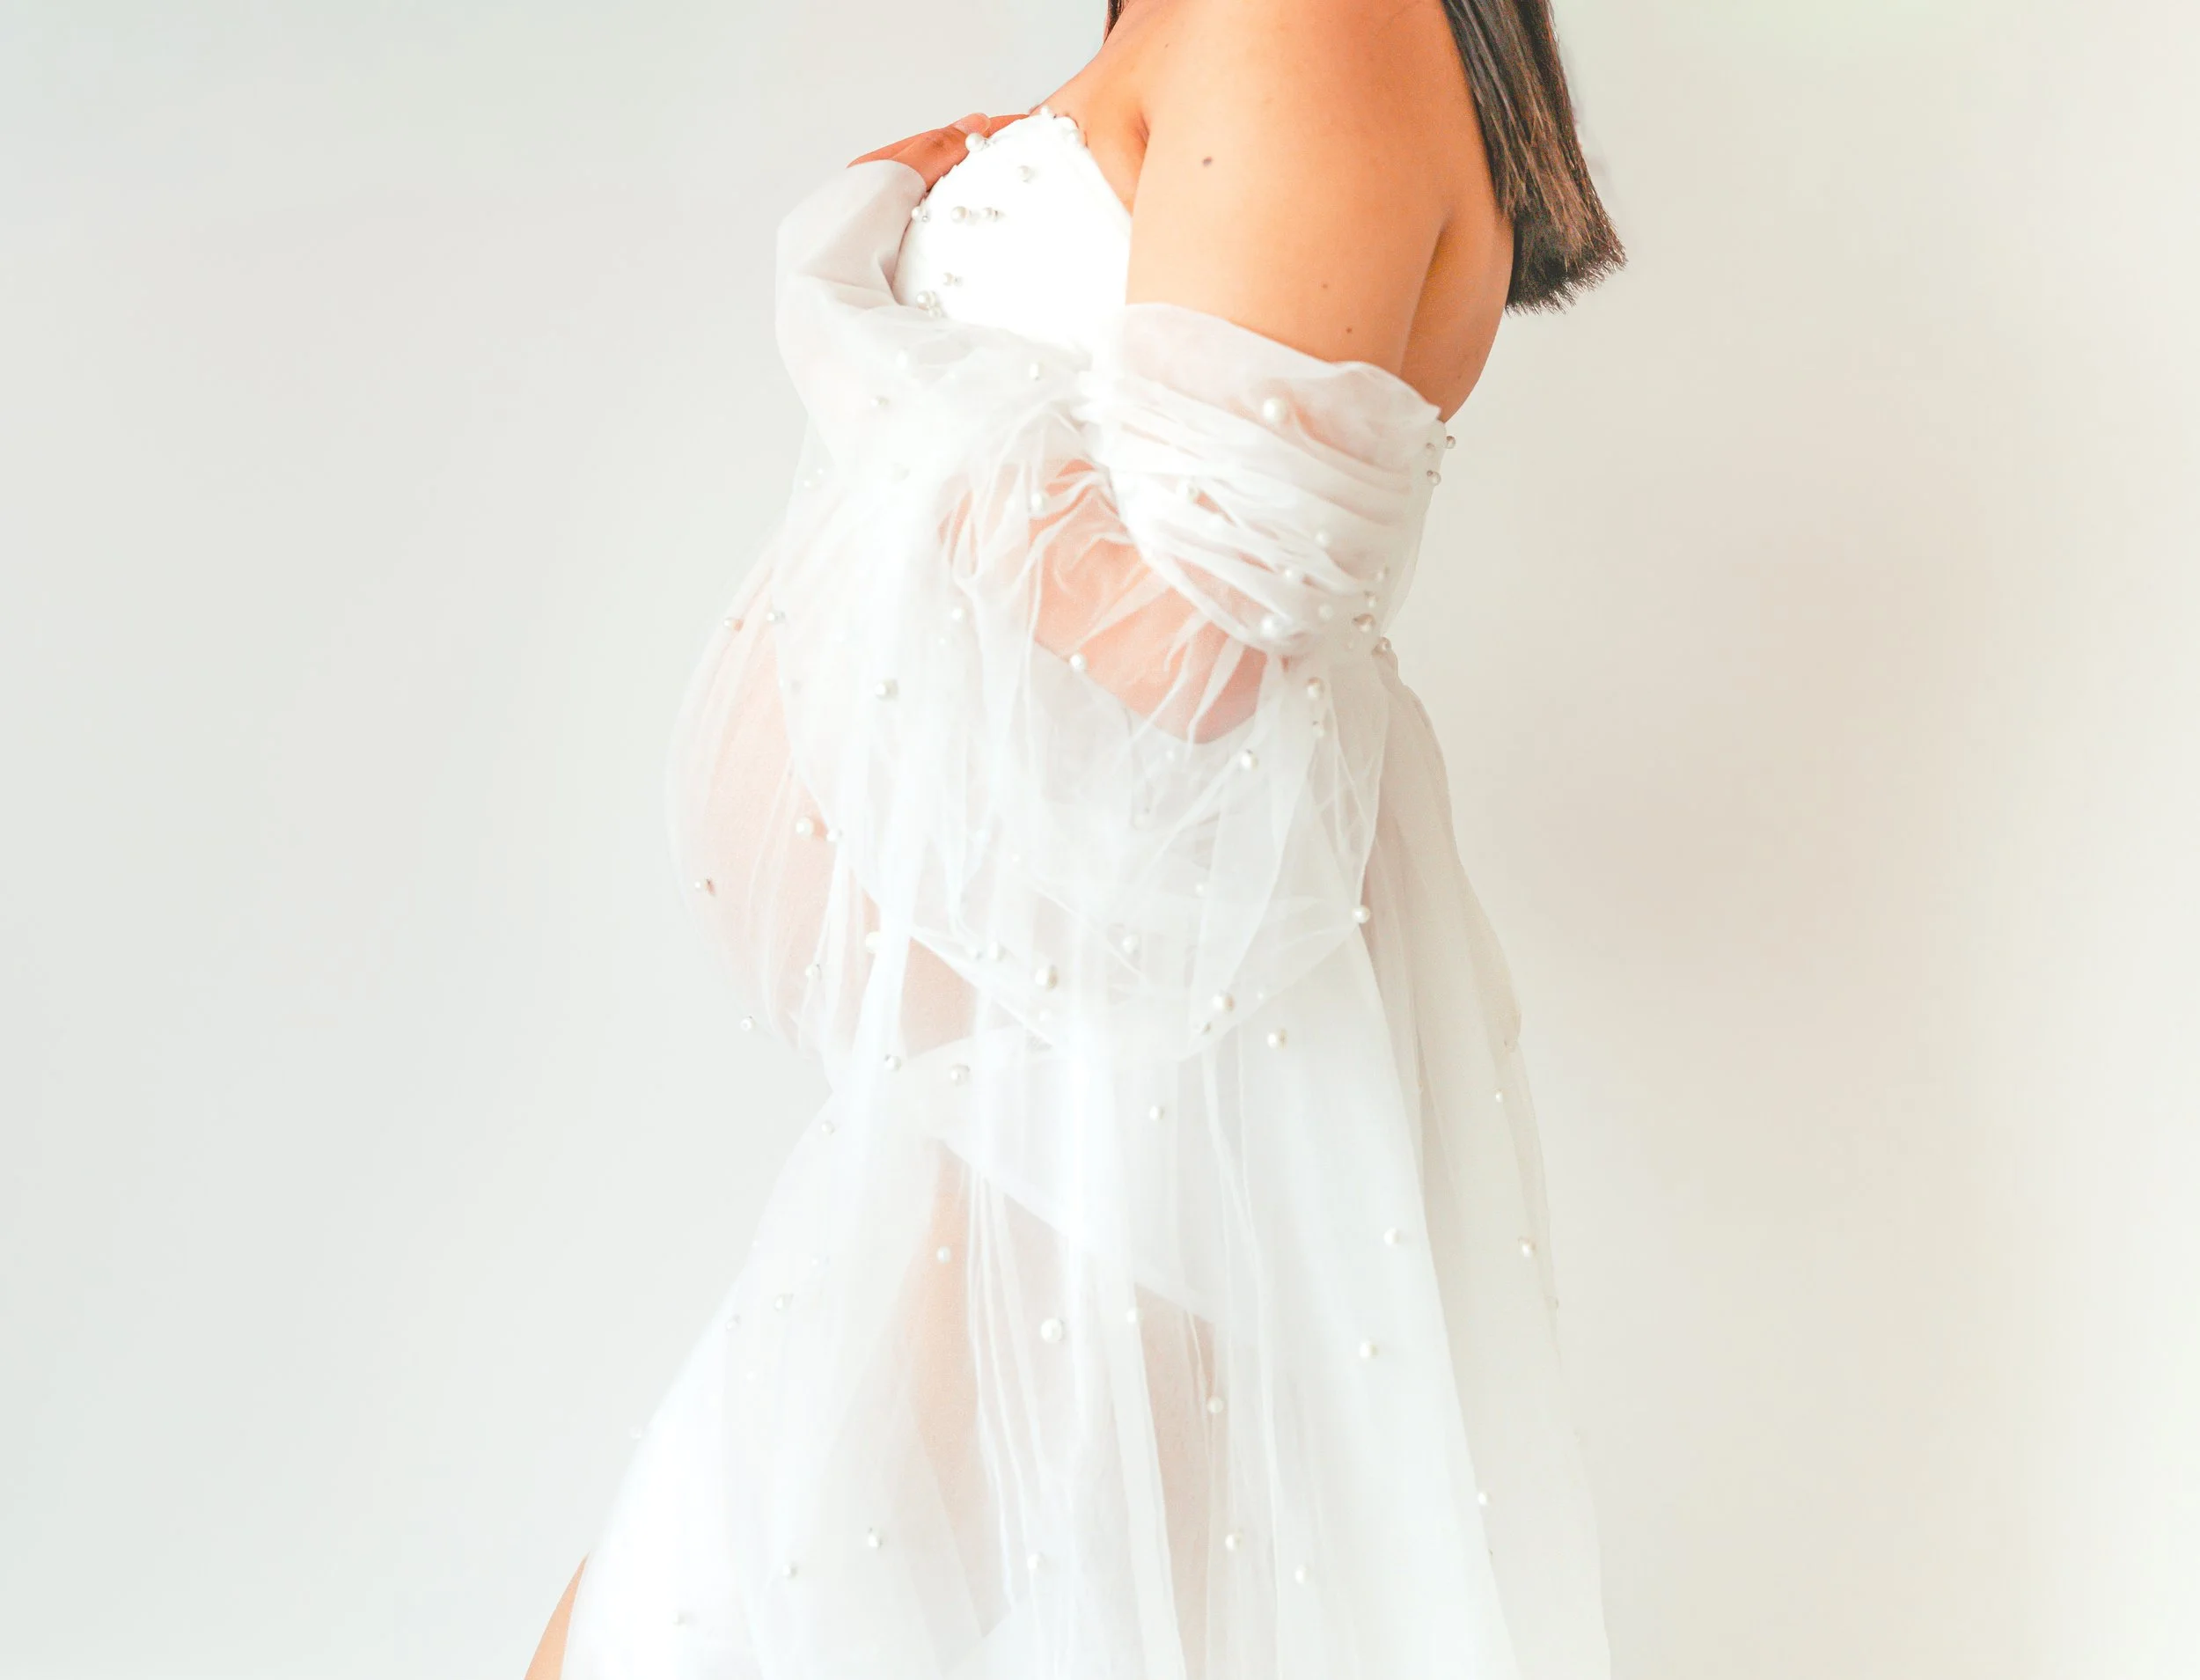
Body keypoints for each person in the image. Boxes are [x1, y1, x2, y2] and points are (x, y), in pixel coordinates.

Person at [532, 0, 1621, 1671]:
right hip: (1048, 1069)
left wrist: (844, 323)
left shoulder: (1312, 21)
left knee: (698, 1616)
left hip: (1115, 1086)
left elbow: (1195, 637)